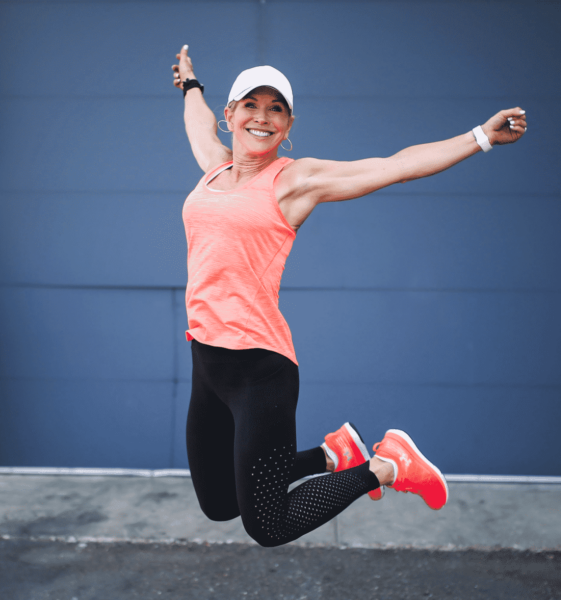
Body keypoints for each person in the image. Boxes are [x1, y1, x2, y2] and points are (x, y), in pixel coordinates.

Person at [171, 44, 527, 548]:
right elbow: (196, 124)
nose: (262, 117)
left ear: (288, 125)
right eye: (251, 105)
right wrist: (190, 85)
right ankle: (333, 453)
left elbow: (397, 165)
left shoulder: (296, 180)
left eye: (276, 109)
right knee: (219, 503)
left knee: (268, 526)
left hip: (258, 370)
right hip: (207, 363)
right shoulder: (214, 169)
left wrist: (480, 138)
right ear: (231, 115)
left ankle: (386, 465)